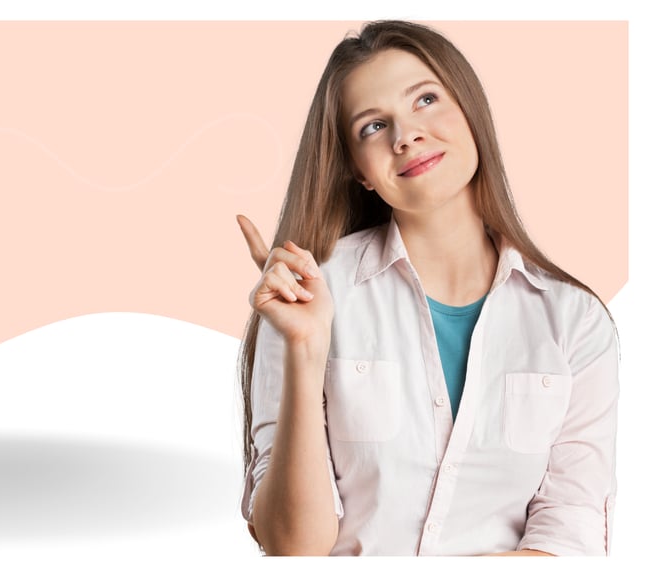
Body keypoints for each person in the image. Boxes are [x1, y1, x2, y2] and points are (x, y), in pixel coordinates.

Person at [235, 20, 619, 556]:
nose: (405, 135)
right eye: (373, 126)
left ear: (470, 111)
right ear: (360, 171)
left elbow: (570, 535)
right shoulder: (308, 295)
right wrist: (305, 348)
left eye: (426, 99)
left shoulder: (575, 321)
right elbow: (291, 549)